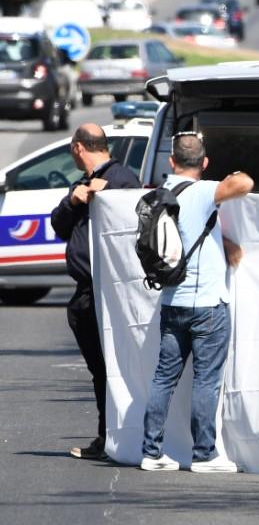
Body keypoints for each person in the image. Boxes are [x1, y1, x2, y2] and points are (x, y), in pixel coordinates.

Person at [139, 133, 254, 472]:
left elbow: (188, 234)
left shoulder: (161, 195)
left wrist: (224, 240)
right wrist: (232, 174)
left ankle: (151, 452)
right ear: (204, 163)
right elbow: (245, 183)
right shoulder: (205, 191)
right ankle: (204, 454)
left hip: (173, 301)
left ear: (171, 161)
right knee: (206, 380)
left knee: (163, 378)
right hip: (207, 306)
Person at [50, 125, 143, 460]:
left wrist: (108, 195)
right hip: (85, 291)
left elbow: (132, 219)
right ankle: (109, 436)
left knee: (111, 367)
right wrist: (75, 200)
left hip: (108, 292)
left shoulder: (121, 178)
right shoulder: (81, 184)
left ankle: (115, 438)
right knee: (99, 369)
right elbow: (58, 225)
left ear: (78, 148)